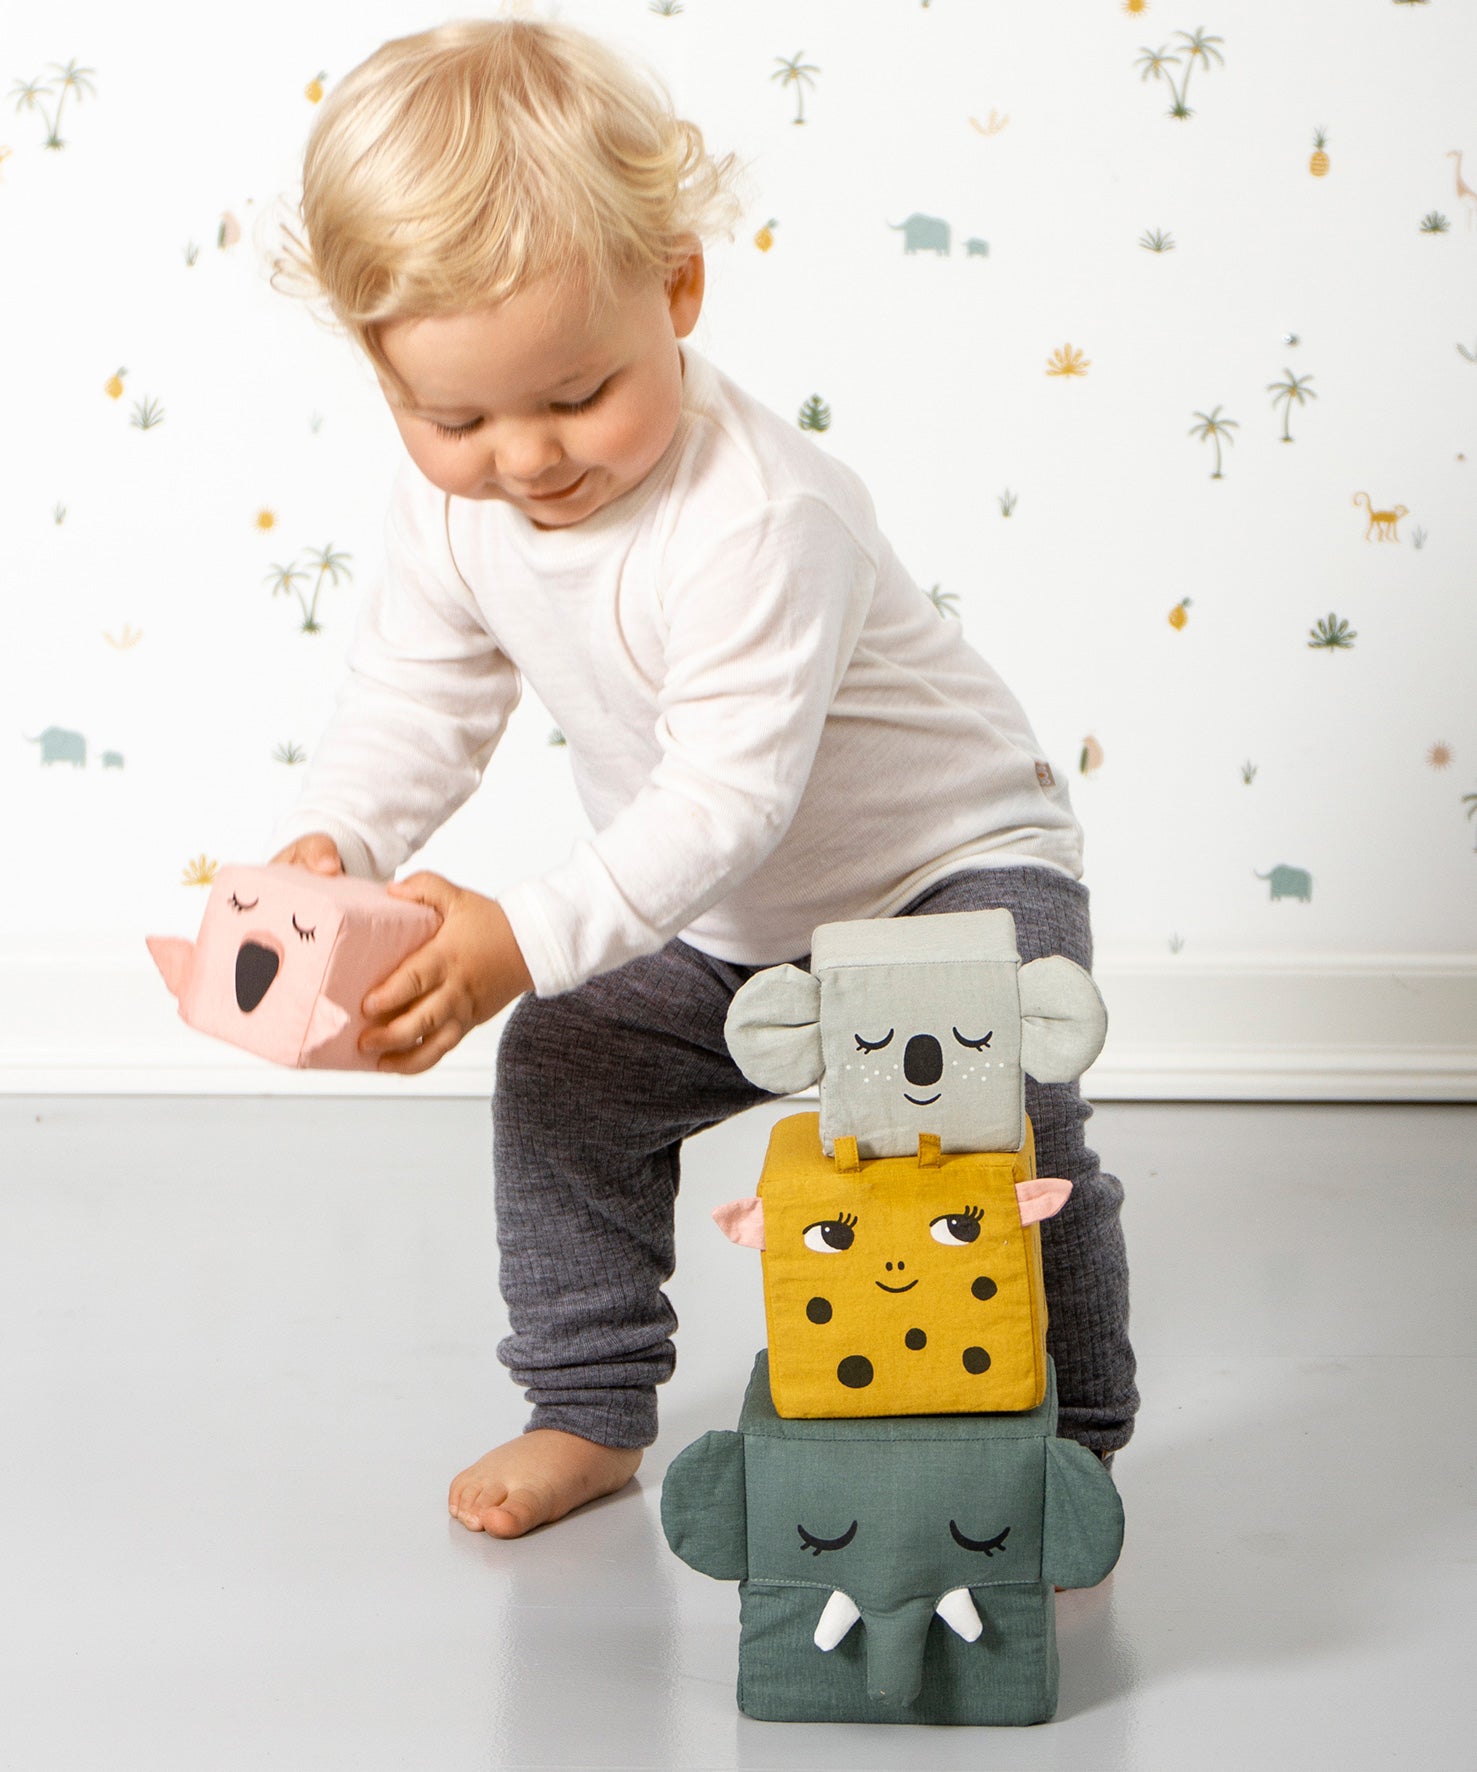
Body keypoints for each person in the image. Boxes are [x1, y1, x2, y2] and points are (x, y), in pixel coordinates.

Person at [270, 16, 1137, 1539]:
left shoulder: (755, 517)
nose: (526, 459)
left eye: (576, 392)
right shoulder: (456, 514)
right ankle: (588, 1406)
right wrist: (335, 840)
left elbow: (728, 796)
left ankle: (1065, 1429)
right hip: (726, 919)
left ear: (675, 287)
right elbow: (418, 696)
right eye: (455, 417)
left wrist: (520, 938)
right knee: (564, 1072)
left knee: (996, 1126)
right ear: (381, 368)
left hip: (943, 875)